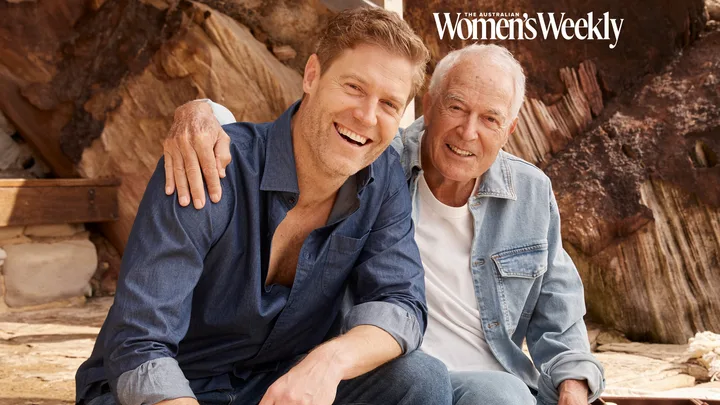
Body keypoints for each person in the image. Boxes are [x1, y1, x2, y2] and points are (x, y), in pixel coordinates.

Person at [165, 43, 607, 405]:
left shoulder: (530, 193)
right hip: (385, 375)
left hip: (487, 383)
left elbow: (558, 311)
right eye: (456, 107)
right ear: (429, 105)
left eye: (490, 119)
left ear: (509, 128)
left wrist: (574, 383)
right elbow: (285, 135)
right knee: (431, 380)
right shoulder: (373, 158)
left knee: (504, 396)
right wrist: (198, 112)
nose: (468, 132)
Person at [74, 8, 454, 405]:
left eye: (389, 104)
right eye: (354, 87)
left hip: (276, 387)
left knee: (419, 379)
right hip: (168, 388)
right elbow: (139, 343)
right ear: (311, 76)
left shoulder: (382, 179)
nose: (366, 116)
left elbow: (402, 303)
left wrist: (327, 363)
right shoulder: (209, 163)